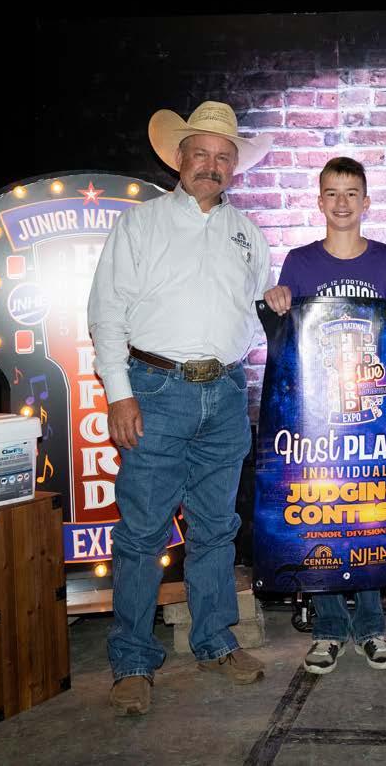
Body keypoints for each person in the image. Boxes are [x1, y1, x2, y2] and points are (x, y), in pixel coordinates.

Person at [88, 100, 272, 716]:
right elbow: (106, 313)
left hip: (226, 391)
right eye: (201, 154)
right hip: (155, 390)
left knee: (217, 527)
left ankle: (215, 641)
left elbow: (257, 309)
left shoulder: (248, 234)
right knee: (142, 532)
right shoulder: (140, 226)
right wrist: (119, 393)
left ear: (233, 168)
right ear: (179, 158)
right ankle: (133, 662)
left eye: (223, 157)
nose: (211, 166)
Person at [263, 156, 386, 674]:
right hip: (317, 417)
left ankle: (372, 628)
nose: (342, 202)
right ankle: (328, 629)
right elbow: (286, 336)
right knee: (324, 510)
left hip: (374, 416)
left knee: (371, 513)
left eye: (352, 193)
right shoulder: (300, 262)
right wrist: (278, 299)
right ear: (319, 201)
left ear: (366, 202)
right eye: (332, 193)